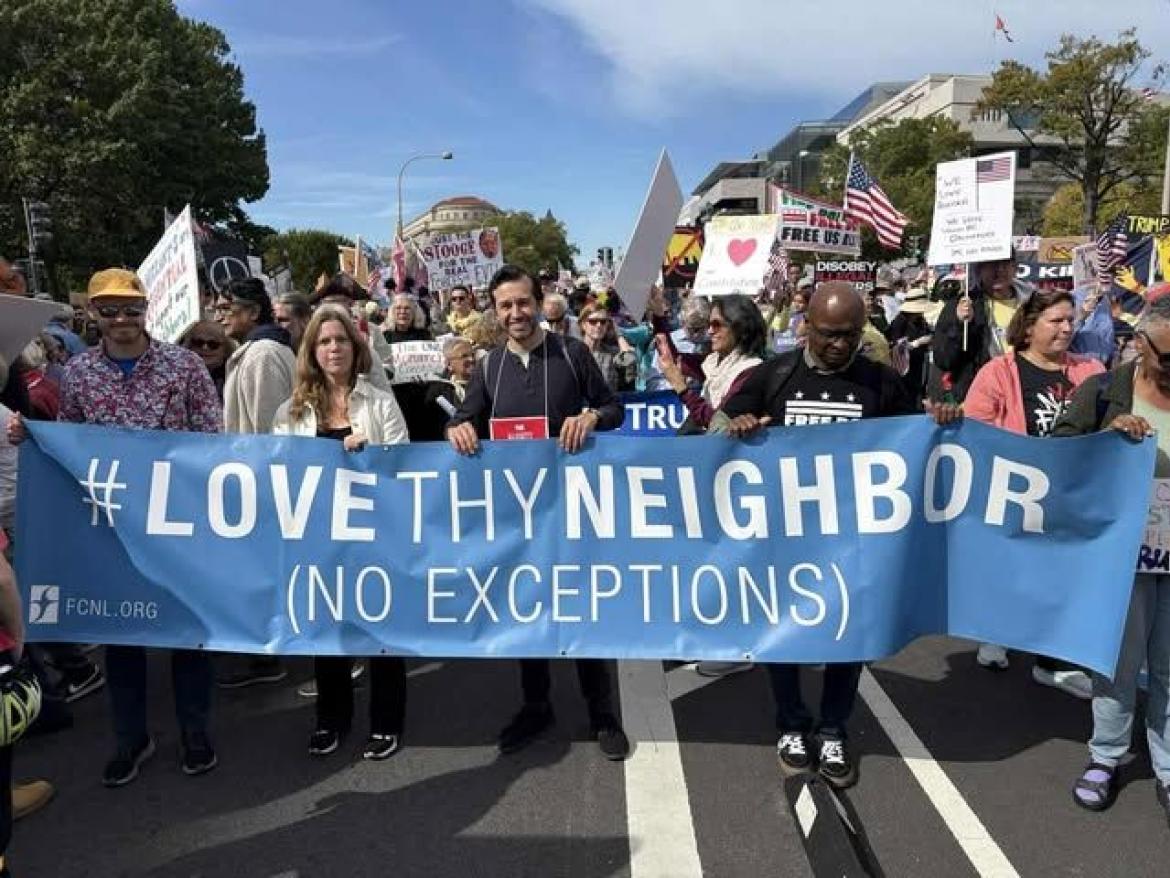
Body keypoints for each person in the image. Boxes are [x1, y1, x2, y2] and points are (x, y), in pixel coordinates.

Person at [719, 282, 960, 789]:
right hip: (785, 538)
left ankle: (833, 728)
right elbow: (714, 429)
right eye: (829, 334)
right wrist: (736, 425)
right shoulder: (774, 375)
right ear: (806, 325)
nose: (839, 344)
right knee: (781, 633)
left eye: (850, 334)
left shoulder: (880, 381)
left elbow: (915, 441)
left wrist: (940, 419)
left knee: (851, 636)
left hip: (855, 541)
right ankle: (791, 723)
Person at [7, 268, 223, 787]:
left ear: (146, 311)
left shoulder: (185, 365)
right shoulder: (78, 373)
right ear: (93, 314)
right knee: (120, 633)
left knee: (189, 631)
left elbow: (214, 439)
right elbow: (71, 443)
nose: (122, 319)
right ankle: (131, 738)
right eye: (109, 309)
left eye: (131, 308)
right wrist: (31, 436)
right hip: (112, 527)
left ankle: (195, 731)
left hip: (178, 523)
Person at [446, 264, 629, 760]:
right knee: (525, 607)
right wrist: (457, 428)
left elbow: (614, 408)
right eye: (505, 305)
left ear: (538, 301)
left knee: (581, 607)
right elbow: (465, 417)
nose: (515, 313)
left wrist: (592, 416)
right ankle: (536, 705)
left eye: (522, 302)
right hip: (518, 514)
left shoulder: (571, 353)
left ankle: (601, 711)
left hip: (572, 509)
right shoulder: (489, 366)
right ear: (495, 310)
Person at [272, 308, 409, 760]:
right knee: (326, 632)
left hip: (374, 536)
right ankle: (331, 719)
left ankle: (386, 722)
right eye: (325, 341)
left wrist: (370, 456)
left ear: (356, 347)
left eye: (341, 340)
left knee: (381, 630)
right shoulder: (290, 412)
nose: (334, 348)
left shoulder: (380, 402)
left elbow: (403, 464)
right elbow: (280, 472)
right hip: (318, 538)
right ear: (312, 351)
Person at [1053, 295, 1170, 824]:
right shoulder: (1103, 392)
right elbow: (1059, 451)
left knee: (1168, 666)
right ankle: (1106, 756)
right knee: (1117, 662)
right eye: (1167, 356)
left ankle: (1167, 767)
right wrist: (1108, 436)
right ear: (1140, 344)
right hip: (1122, 553)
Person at [963, 289, 1105, 692]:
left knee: (1062, 574)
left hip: (1073, 490)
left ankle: (1051, 661)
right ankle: (998, 630)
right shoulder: (998, 372)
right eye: (1056, 320)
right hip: (1017, 487)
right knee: (1015, 569)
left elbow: (1108, 418)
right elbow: (977, 429)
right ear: (1029, 327)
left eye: (1070, 320)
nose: (1066, 328)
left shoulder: (1091, 369)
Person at [215, 277, 296, 689]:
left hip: (261, 480)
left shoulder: (263, 355)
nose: (219, 315)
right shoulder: (256, 350)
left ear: (252, 311)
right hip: (253, 475)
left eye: (226, 307)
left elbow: (269, 426)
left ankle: (268, 655)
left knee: (262, 568)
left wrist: (258, 483)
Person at [660, 293, 765, 435]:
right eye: (709, 325)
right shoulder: (712, 362)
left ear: (739, 327)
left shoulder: (750, 371)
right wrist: (658, 316)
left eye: (717, 325)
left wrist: (682, 389)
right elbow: (674, 358)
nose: (710, 331)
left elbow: (718, 422)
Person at [931, 255, 1029, 400]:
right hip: (981, 397)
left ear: (1015, 267)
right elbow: (943, 359)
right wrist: (959, 324)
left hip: (1026, 392)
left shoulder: (1033, 303)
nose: (999, 270)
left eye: (1004, 263)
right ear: (979, 269)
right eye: (991, 264)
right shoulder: (961, 305)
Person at [420, 337, 476, 441]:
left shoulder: (485, 384)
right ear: (449, 364)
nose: (472, 359)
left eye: (473, 355)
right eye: (464, 356)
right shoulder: (436, 391)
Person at [578, 303, 637, 392]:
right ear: (583, 325)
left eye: (603, 322)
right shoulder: (573, 352)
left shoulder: (613, 354)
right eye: (593, 321)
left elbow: (629, 366)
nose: (599, 325)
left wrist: (618, 334)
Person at [885, 287, 933, 397]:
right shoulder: (900, 321)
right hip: (904, 368)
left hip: (919, 365)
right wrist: (917, 343)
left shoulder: (920, 320)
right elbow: (895, 346)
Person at [179, 321, 235, 402]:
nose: (205, 348)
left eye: (213, 344)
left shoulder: (233, 376)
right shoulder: (179, 378)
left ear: (225, 349)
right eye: (199, 342)